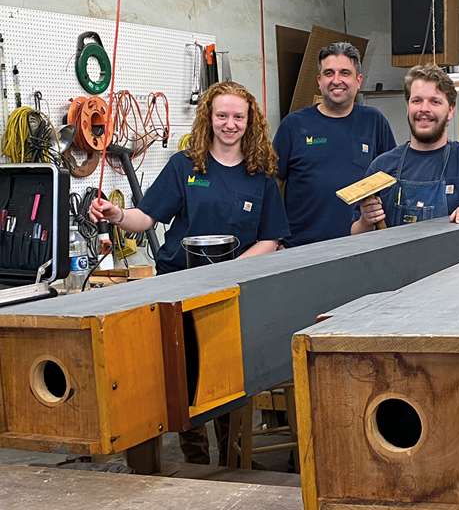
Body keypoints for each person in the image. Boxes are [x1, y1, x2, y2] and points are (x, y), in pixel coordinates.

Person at [90, 81, 290, 465]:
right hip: (177, 287)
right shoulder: (185, 166)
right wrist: (117, 215)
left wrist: (229, 272)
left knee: (230, 375)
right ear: (208, 118)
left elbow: (271, 239)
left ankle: (233, 458)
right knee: (184, 374)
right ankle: (196, 457)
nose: (229, 124)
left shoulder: (260, 175)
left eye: (238, 117)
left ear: (250, 122)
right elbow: (147, 216)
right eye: (222, 116)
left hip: (232, 290)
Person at [351, 63, 459, 233]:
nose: (424, 109)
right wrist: (366, 221)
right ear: (408, 107)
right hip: (395, 259)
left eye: (435, 101)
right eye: (417, 101)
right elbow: (355, 231)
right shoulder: (382, 166)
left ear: (450, 110)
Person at [273, 41, 396, 246]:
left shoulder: (374, 121)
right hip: (301, 248)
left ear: (358, 80)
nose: (336, 80)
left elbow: (391, 177)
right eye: (329, 73)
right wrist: (273, 237)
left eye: (344, 73)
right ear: (319, 81)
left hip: (360, 244)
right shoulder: (293, 125)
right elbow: (272, 183)